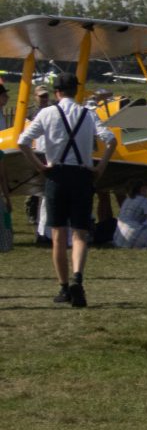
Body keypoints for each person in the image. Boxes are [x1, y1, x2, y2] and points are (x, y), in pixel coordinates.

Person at [22, 73, 101, 305]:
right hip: (82, 175)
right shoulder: (89, 113)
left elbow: (23, 141)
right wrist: (100, 167)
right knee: (80, 232)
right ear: (76, 91)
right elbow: (109, 139)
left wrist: (41, 167)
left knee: (58, 235)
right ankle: (78, 277)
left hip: (56, 174)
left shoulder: (47, 113)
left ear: (57, 92)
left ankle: (64, 288)